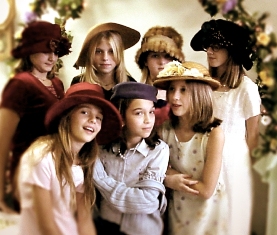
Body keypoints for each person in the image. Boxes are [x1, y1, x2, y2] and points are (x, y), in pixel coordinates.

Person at [17, 82, 122, 235]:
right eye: (85, 112)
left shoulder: (84, 161)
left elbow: (84, 218)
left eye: (99, 117)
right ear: (67, 116)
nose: (93, 119)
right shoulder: (41, 156)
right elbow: (46, 225)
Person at [190, 19, 261, 235]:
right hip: (203, 157)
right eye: (208, 46)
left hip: (232, 165)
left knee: (229, 219)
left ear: (231, 51)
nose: (209, 51)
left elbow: (253, 137)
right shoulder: (204, 83)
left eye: (216, 46)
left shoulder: (246, 89)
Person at [0, 20, 71, 213]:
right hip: (27, 171)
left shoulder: (56, 83)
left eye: (56, 52)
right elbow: (2, 142)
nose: (52, 57)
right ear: (30, 50)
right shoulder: (20, 84)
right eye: (45, 51)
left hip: (53, 170)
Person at [153, 60, 227, 235]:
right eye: (172, 89)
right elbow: (155, 168)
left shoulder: (213, 135)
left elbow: (206, 190)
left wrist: (171, 177)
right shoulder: (165, 130)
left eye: (183, 90)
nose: (175, 96)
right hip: (178, 208)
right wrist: (167, 177)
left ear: (200, 94)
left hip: (208, 213)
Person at [92, 82, 170, 235]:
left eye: (152, 112)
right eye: (139, 113)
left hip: (143, 231)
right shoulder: (101, 147)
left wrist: (101, 180)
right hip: (105, 226)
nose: (148, 120)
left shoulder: (158, 150)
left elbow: (146, 202)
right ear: (121, 116)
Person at [72, 22, 140, 100]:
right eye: (98, 51)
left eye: (111, 51)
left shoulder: (131, 85)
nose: (105, 58)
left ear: (119, 53)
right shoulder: (79, 83)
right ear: (90, 54)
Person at [135, 26, 185, 127]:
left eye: (167, 56)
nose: (162, 62)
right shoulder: (134, 94)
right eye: (155, 56)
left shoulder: (187, 93)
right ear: (145, 61)